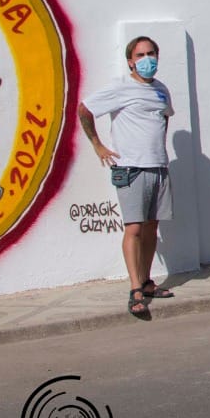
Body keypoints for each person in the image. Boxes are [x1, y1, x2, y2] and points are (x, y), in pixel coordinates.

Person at [78, 36, 175, 319]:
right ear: (131, 61)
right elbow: (85, 109)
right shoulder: (121, 87)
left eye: (152, 53)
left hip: (158, 166)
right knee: (133, 228)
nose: (147, 59)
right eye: (141, 54)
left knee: (151, 227)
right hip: (131, 168)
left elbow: (163, 119)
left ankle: (146, 282)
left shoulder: (161, 90)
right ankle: (134, 289)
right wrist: (98, 145)